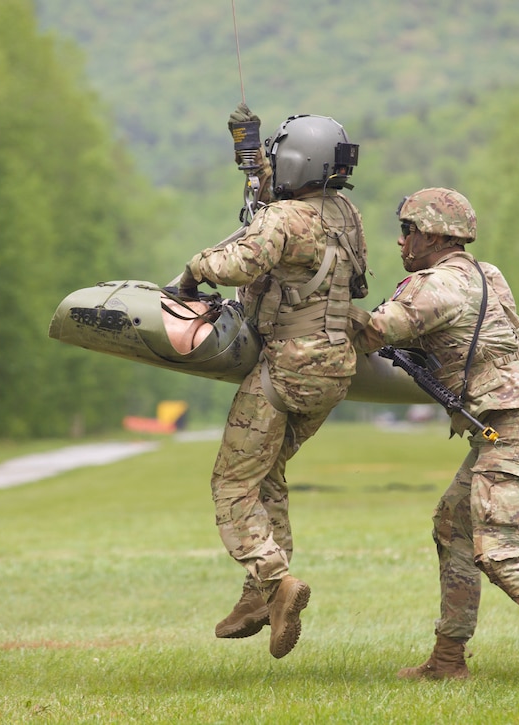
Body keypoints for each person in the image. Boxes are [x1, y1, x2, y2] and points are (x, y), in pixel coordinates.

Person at [354, 187, 519, 686]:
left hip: (516, 431)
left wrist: (314, 309)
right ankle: (447, 660)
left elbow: (374, 332)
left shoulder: (434, 287)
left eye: (408, 230)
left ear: (434, 234)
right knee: (452, 526)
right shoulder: (486, 275)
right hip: (515, 428)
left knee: (499, 548)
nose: (401, 241)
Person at [177, 105, 368, 659]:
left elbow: (239, 263)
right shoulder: (345, 213)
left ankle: (275, 579)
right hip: (334, 370)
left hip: (287, 368)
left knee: (232, 484)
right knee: (268, 474)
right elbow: (294, 218)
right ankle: (258, 596)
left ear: (296, 160)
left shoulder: (284, 219)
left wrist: (194, 268)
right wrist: (256, 165)